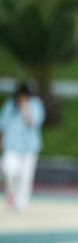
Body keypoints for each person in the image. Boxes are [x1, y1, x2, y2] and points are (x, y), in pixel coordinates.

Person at [0, 83, 45, 212]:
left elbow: (33, 123)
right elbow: (2, 125)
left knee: (25, 176)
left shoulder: (35, 105)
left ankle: (21, 202)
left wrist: (25, 109)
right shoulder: (9, 106)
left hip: (29, 147)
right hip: (11, 146)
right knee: (8, 168)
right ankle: (11, 192)